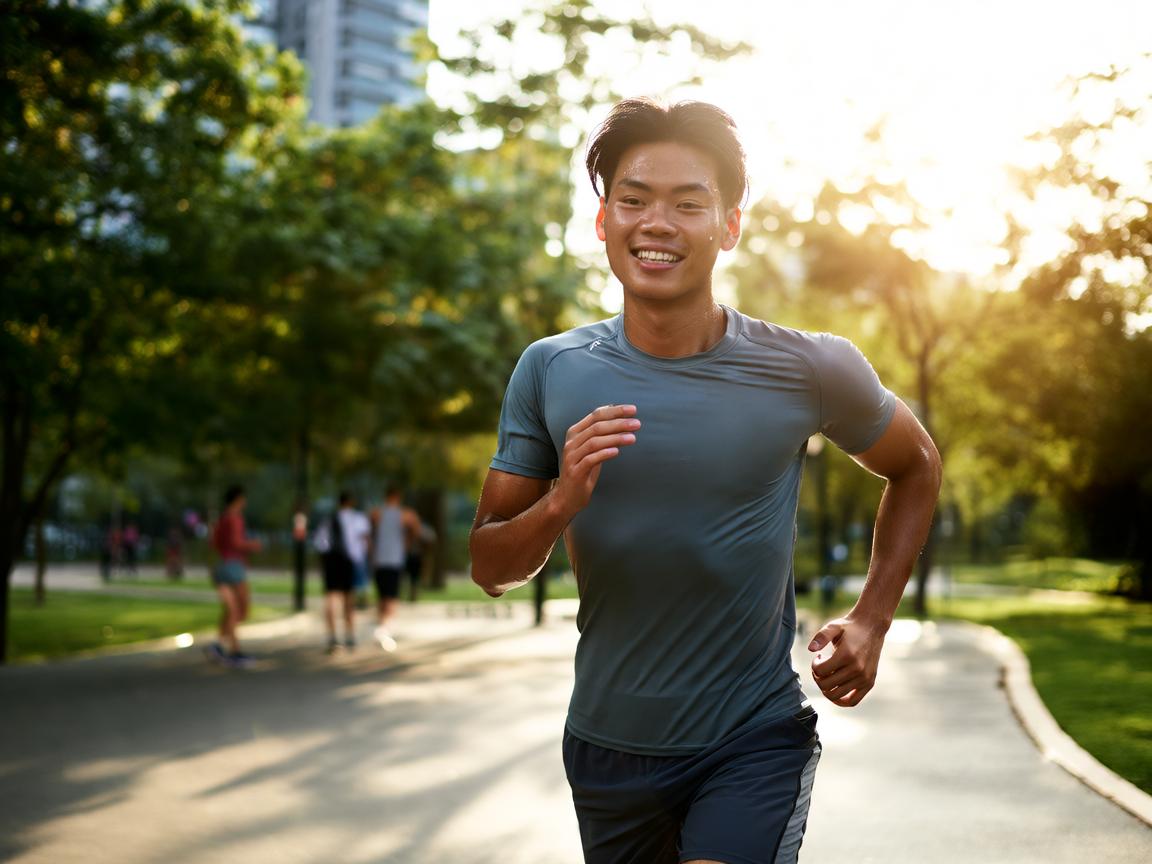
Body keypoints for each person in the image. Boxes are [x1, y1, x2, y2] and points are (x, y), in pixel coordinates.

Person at [469, 98, 942, 864]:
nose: (656, 223)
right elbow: (491, 568)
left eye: (688, 204)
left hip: (752, 738)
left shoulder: (809, 368)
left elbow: (915, 463)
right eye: (633, 200)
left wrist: (872, 618)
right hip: (607, 747)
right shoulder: (550, 370)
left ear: (729, 227)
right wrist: (560, 501)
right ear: (602, 222)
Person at [209, 485, 262, 666]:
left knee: (231, 609)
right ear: (238, 499)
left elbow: (215, 543)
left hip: (222, 565)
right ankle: (234, 651)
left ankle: (219, 645)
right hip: (233, 566)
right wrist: (252, 545)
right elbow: (236, 542)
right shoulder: (234, 518)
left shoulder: (222, 519)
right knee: (241, 609)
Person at [315, 491, 370, 652]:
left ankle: (332, 636)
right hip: (349, 562)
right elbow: (364, 543)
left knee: (331, 598)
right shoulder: (358, 519)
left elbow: (319, 543)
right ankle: (350, 635)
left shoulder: (328, 520)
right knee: (348, 599)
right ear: (351, 502)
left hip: (331, 562)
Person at [369, 486, 420, 650]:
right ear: (398, 497)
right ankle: (386, 629)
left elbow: (369, 534)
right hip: (395, 560)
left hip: (380, 559)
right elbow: (416, 530)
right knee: (392, 596)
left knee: (382, 595)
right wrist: (407, 543)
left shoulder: (376, 513)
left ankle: (381, 628)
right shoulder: (406, 515)